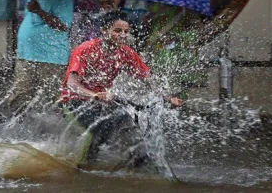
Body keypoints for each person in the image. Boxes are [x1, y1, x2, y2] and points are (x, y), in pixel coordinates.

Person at [58, 11, 182, 171]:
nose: (123, 35)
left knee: (129, 122)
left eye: (126, 31)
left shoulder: (126, 53)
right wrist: (94, 95)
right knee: (96, 130)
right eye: (118, 31)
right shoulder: (85, 50)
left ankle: (137, 165)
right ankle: (81, 170)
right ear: (104, 31)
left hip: (101, 101)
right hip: (72, 101)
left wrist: (168, 97)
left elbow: (148, 78)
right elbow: (72, 84)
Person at [9, 0, 74, 114]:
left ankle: (53, 130)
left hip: (51, 59)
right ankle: (18, 125)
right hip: (26, 56)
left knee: (52, 98)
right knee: (20, 95)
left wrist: (39, 11)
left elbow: (62, 26)